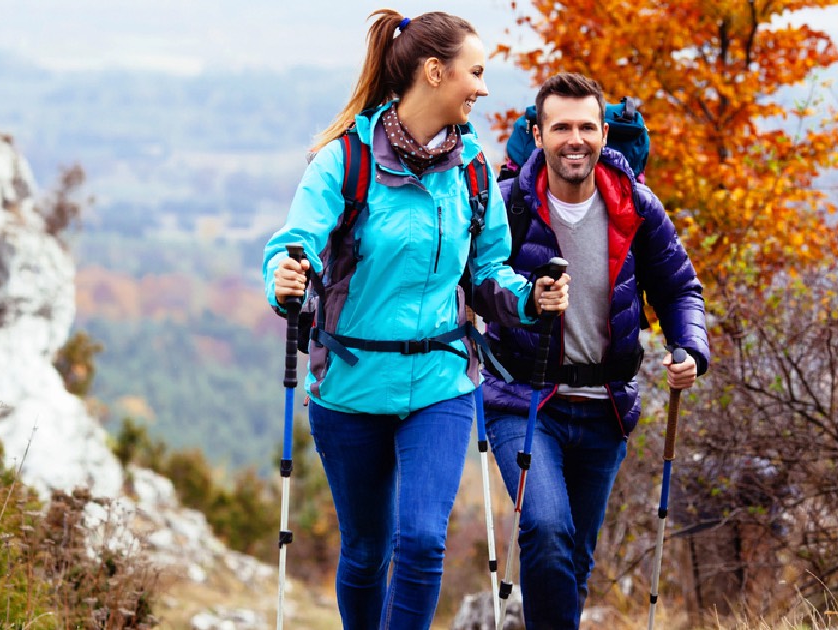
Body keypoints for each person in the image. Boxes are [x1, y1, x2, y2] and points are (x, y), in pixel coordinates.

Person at [263, 10, 560, 629]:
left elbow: (487, 272)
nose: (482, 87)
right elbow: (297, 246)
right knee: (368, 551)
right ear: (434, 72)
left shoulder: (474, 170)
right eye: (474, 72)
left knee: (423, 541)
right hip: (349, 384)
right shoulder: (345, 162)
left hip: (441, 382)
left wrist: (529, 298)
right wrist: (287, 278)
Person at [479, 72, 710, 630]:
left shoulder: (636, 206)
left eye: (586, 126)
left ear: (605, 133)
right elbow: (475, 284)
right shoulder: (506, 206)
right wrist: (525, 299)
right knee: (547, 528)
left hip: (606, 404)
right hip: (525, 400)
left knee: (575, 557)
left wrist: (690, 348)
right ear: (537, 134)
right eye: (561, 127)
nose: (574, 139)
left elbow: (680, 288)